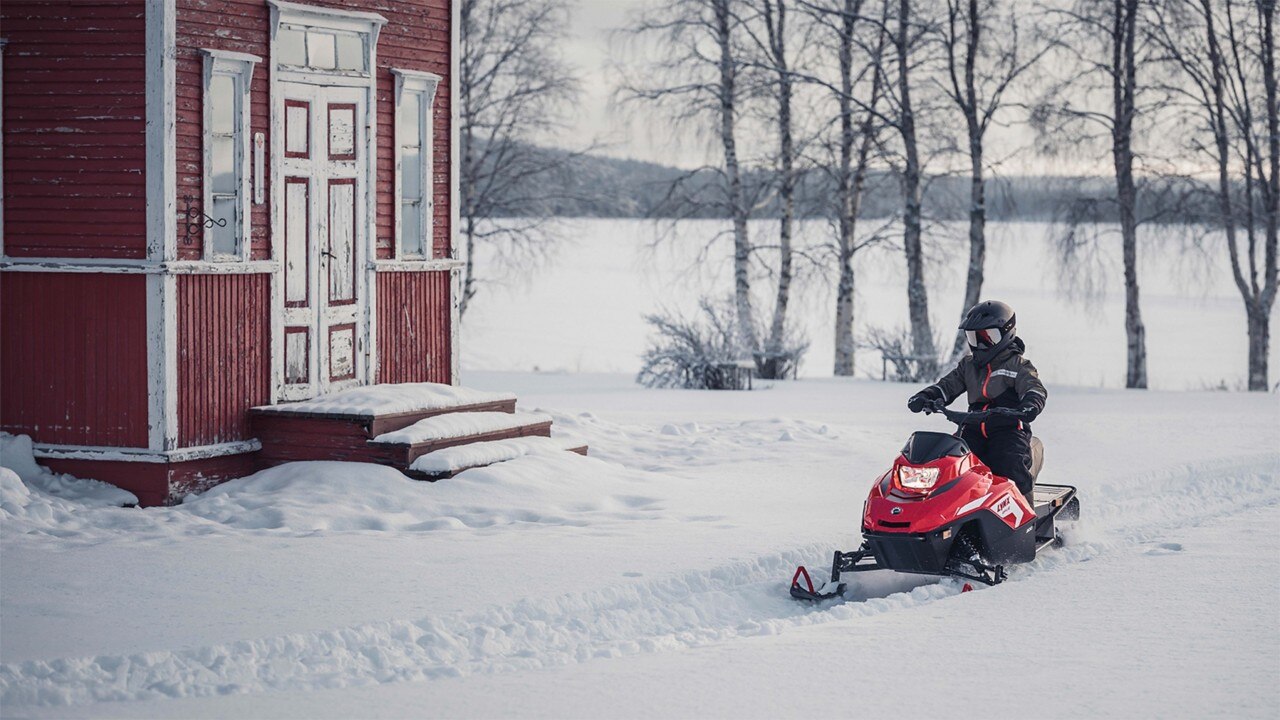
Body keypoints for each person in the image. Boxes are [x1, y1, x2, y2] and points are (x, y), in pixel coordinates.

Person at [907, 300, 1046, 501]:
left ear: (1006, 334)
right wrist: (926, 396)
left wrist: (1031, 404)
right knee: (952, 465)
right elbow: (948, 385)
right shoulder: (968, 366)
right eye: (974, 338)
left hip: (1007, 428)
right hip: (972, 427)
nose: (980, 345)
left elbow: (1033, 387)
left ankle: (1027, 517)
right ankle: (946, 513)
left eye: (987, 337)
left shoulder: (1018, 366)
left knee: (1008, 462)